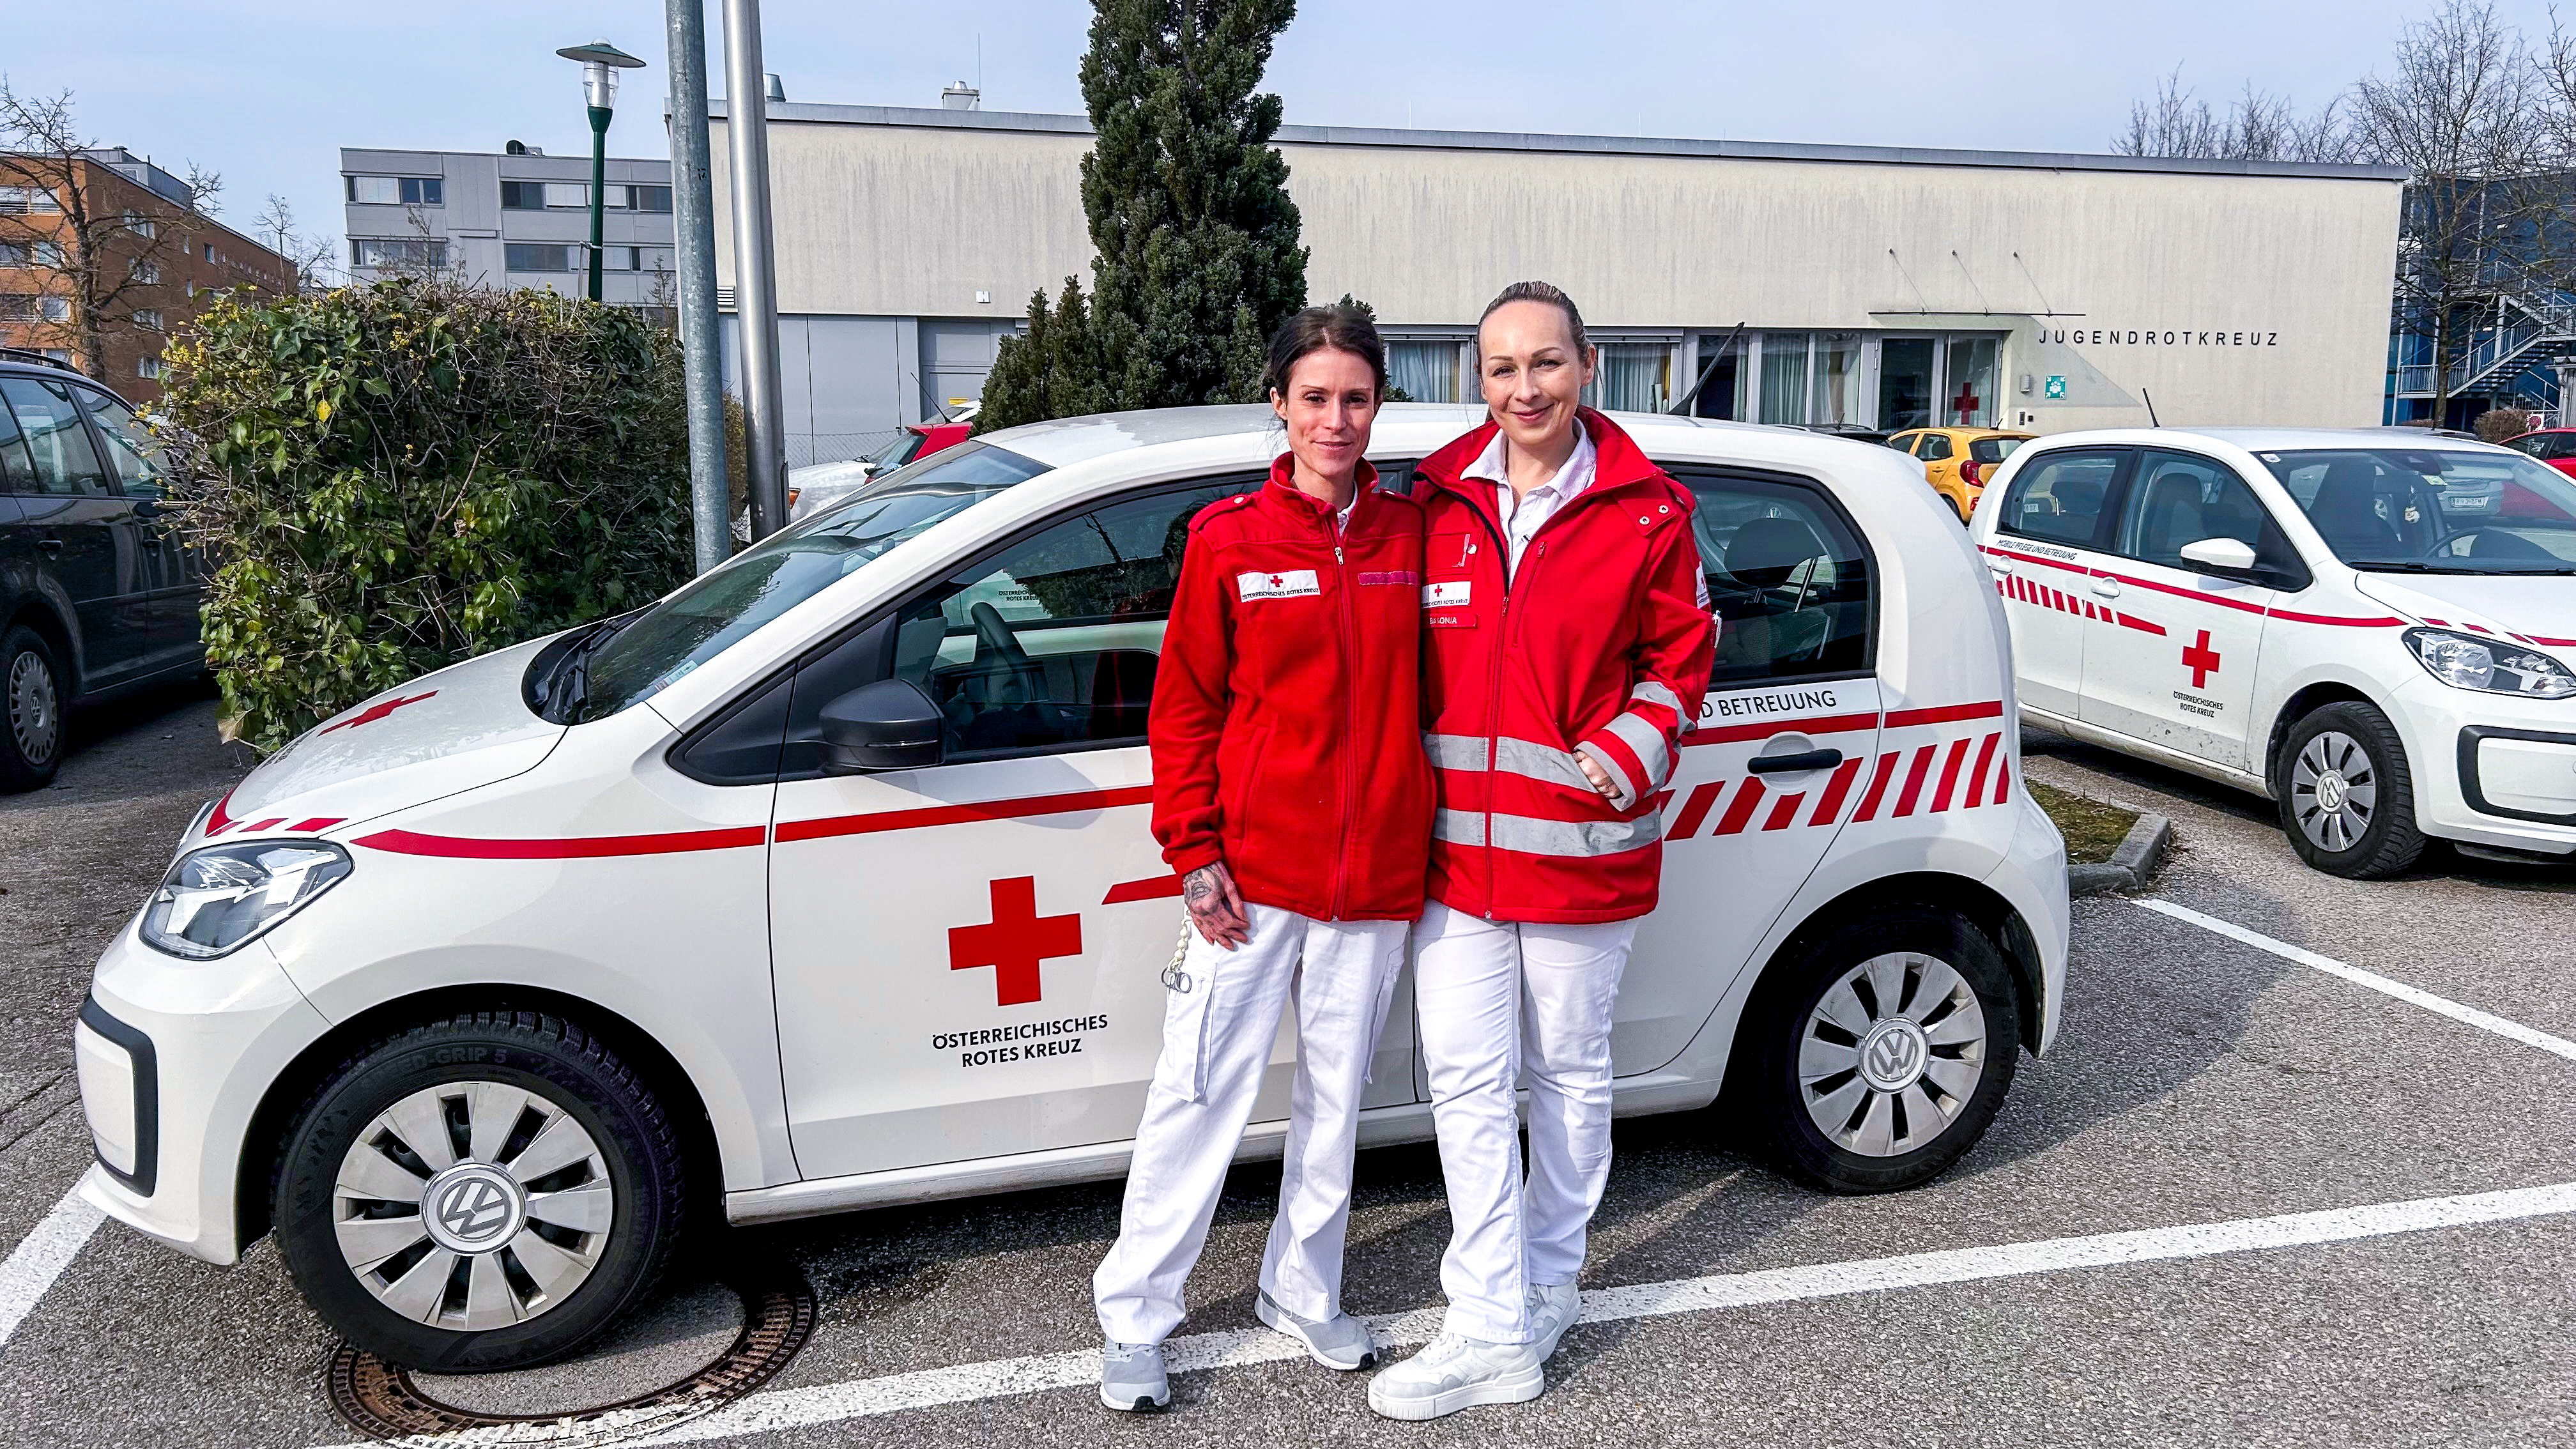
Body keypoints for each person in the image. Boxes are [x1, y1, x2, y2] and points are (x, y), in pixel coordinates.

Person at [1367, 281, 1716, 1422]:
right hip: (1455, 863)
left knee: (1568, 1080)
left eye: (1547, 365)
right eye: (1504, 368)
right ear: (1481, 380)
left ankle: (1546, 1283)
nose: (1526, 389)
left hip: (1579, 851)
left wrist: (1622, 753)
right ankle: (1489, 1321)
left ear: (1588, 366)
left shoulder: (1649, 513)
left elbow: (1683, 660)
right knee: (1468, 1086)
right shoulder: (1436, 498)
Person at [1093, 304, 1432, 1413]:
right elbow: (1183, 709)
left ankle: (1301, 1289)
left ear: (1377, 406)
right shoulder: (1230, 538)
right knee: (1198, 1093)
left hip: (1376, 877)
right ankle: (1138, 1315)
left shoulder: (1414, 535)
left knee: (1337, 1104)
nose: (1336, 418)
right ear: (1278, 404)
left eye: (1357, 397)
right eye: (1316, 396)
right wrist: (1194, 851)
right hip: (1248, 880)